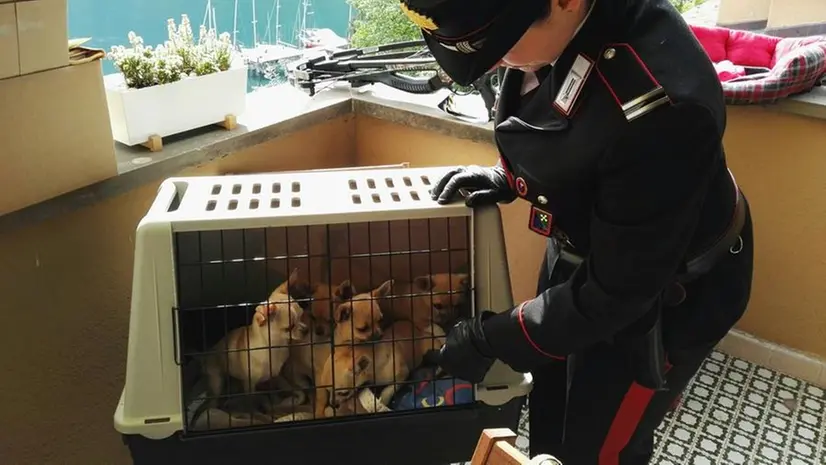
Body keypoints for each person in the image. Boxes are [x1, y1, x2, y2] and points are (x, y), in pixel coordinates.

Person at [398, 0, 754, 464]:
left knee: (600, 442)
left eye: (501, 44)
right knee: (549, 411)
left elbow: (615, 294)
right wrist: (511, 177)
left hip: (663, 293)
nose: (496, 62)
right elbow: (573, 130)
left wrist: (492, 338)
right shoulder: (551, 27)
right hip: (584, 250)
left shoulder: (660, 107)